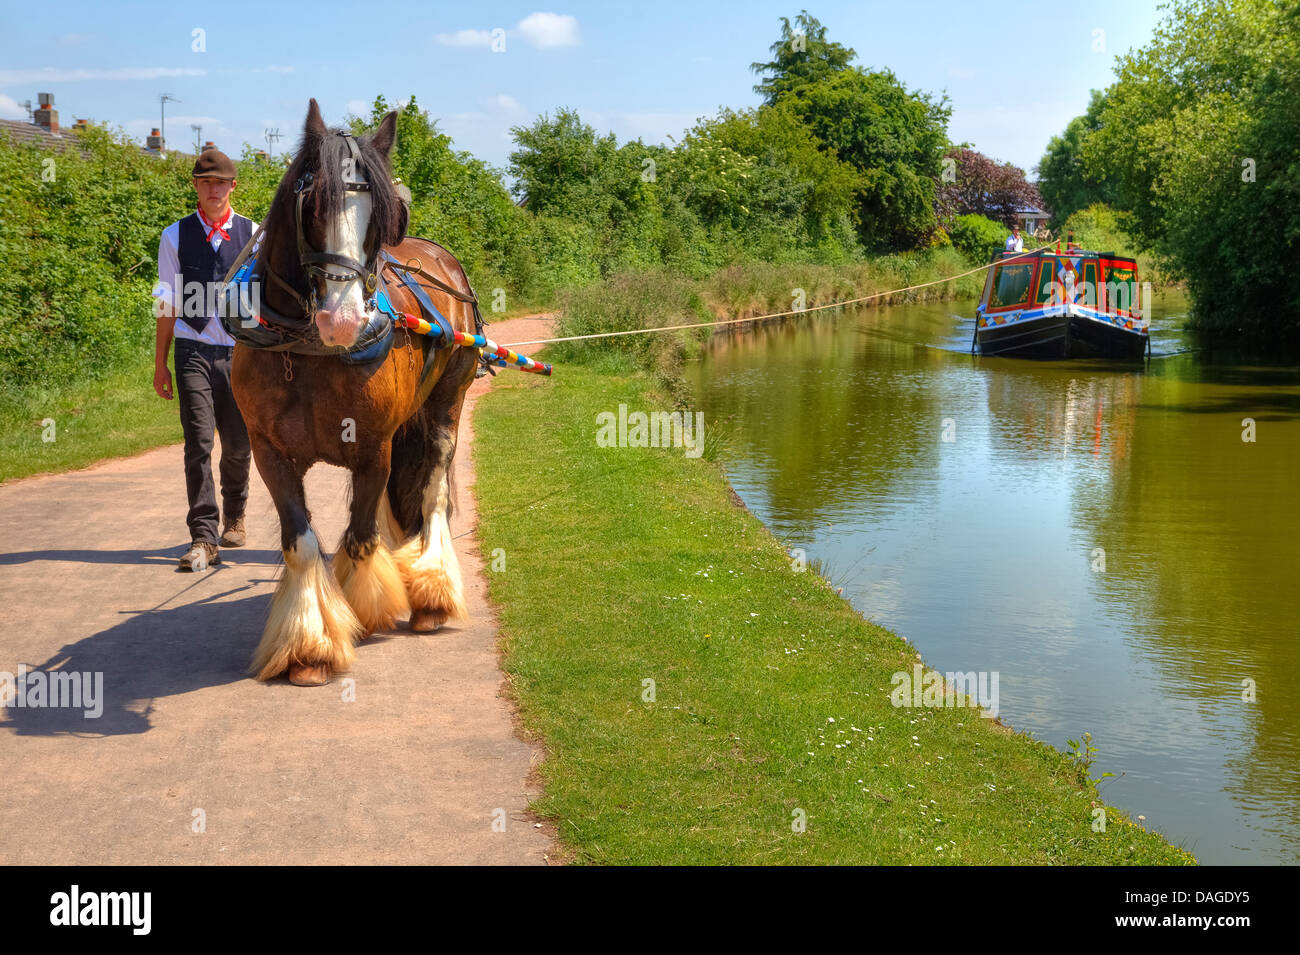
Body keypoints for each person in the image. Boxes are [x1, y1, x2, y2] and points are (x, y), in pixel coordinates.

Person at [151, 149, 257, 571]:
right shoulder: (174, 236)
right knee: (198, 443)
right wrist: (160, 363)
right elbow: (166, 301)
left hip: (241, 352)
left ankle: (236, 513)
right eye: (205, 182)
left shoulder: (255, 235)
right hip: (191, 347)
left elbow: (266, 297)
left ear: (232, 187)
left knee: (238, 444)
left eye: (221, 183)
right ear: (195, 186)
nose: (213, 190)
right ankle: (203, 536)